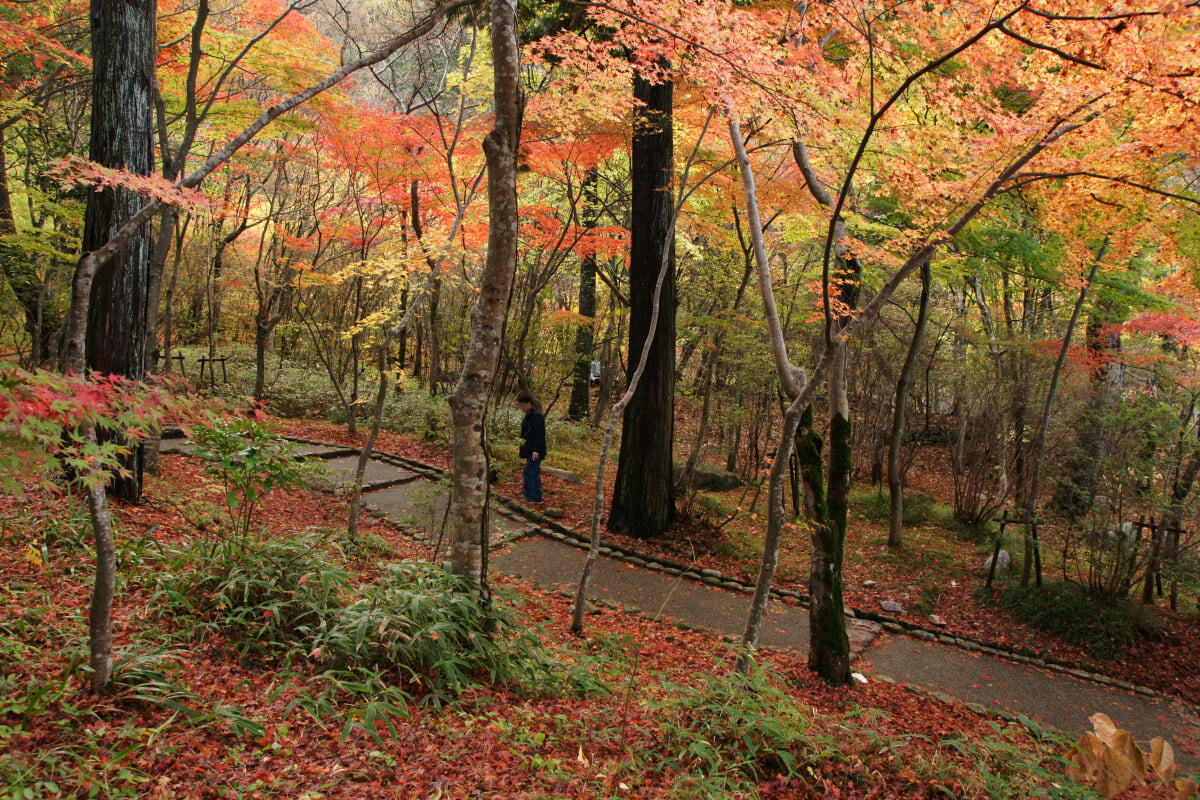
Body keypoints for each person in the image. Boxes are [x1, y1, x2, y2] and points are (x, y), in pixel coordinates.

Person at [517, 393, 546, 504]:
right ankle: (537, 497)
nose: (522, 408)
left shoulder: (536, 416)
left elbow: (540, 434)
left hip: (535, 451)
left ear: (529, 404)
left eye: (523, 405)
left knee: (529, 472)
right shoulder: (528, 416)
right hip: (529, 450)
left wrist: (536, 450)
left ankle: (531, 497)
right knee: (532, 473)